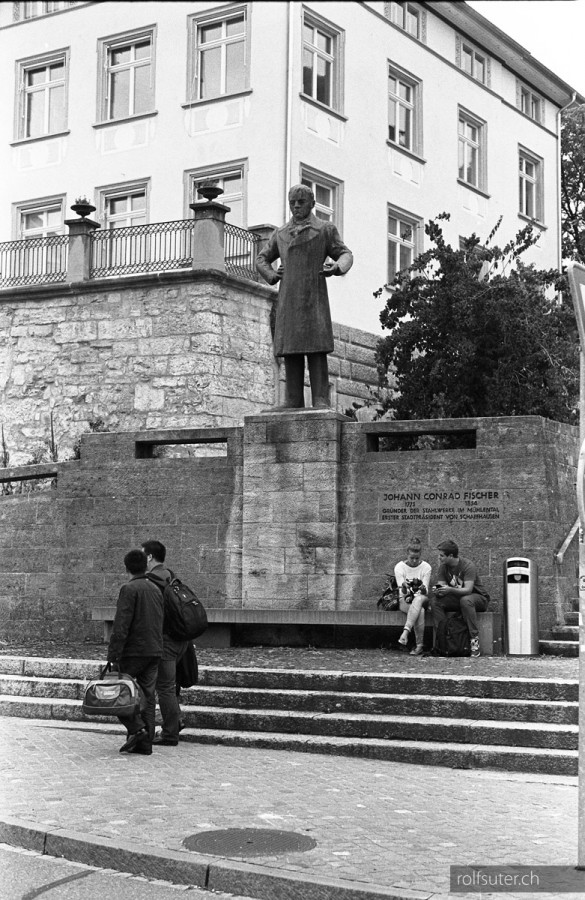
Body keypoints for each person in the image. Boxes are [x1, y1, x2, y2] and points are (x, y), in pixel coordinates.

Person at [256, 184, 353, 409]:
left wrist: (337, 267)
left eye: (301, 202)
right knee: (291, 348)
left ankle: (321, 398)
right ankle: (292, 399)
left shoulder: (325, 229)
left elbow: (346, 253)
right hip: (289, 298)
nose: (297, 206)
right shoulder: (280, 234)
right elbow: (261, 258)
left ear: (312, 204)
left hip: (314, 296)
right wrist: (271, 276)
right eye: (293, 202)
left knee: (316, 348)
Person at [107, 549, 164, 755]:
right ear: (145, 566)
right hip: (154, 650)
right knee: (148, 698)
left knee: (119, 692)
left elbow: (121, 626)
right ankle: (145, 744)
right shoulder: (155, 589)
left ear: (126, 567)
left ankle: (136, 729)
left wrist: (113, 655)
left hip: (133, 652)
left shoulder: (129, 589)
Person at [142, 539, 190, 747]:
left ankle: (170, 733)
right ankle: (176, 720)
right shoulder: (170, 576)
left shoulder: (151, 580)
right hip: (181, 640)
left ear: (150, 557)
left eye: (143, 554)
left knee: (165, 688)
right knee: (171, 686)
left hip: (166, 642)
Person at [429, 539, 489, 658]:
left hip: (478, 599)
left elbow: (468, 590)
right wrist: (438, 591)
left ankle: (474, 641)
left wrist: (449, 590)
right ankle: (442, 639)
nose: (439, 558)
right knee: (435, 602)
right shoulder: (443, 568)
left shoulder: (467, 566)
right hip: (458, 598)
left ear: (451, 556)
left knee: (466, 600)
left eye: (441, 556)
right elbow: (442, 588)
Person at [394, 537, 432, 656]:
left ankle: (405, 633)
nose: (414, 561)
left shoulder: (426, 567)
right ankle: (419, 645)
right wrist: (405, 586)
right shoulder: (399, 567)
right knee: (419, 611)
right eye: (412, 558)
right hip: (406, 599)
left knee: (419, 599)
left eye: (417, 558)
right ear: (407, 554)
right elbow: (402, 591)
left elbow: (425, 592)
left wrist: (422, 588)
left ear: (420, 555)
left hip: (422, 598)